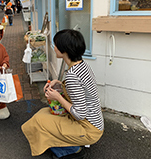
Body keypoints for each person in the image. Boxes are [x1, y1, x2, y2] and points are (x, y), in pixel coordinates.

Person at [22, 29, 104, 159]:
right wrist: (59, 85)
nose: (54, 48)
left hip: (88, 129)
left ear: (64, 50)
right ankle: (68, 144)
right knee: (43, 113)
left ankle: (72, 150)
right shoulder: (82, 65)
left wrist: (58, 97)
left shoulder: (72, 75)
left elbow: (80, 113)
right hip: (95, 122)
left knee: (39, 122)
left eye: (56, 45)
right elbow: (81, 91)